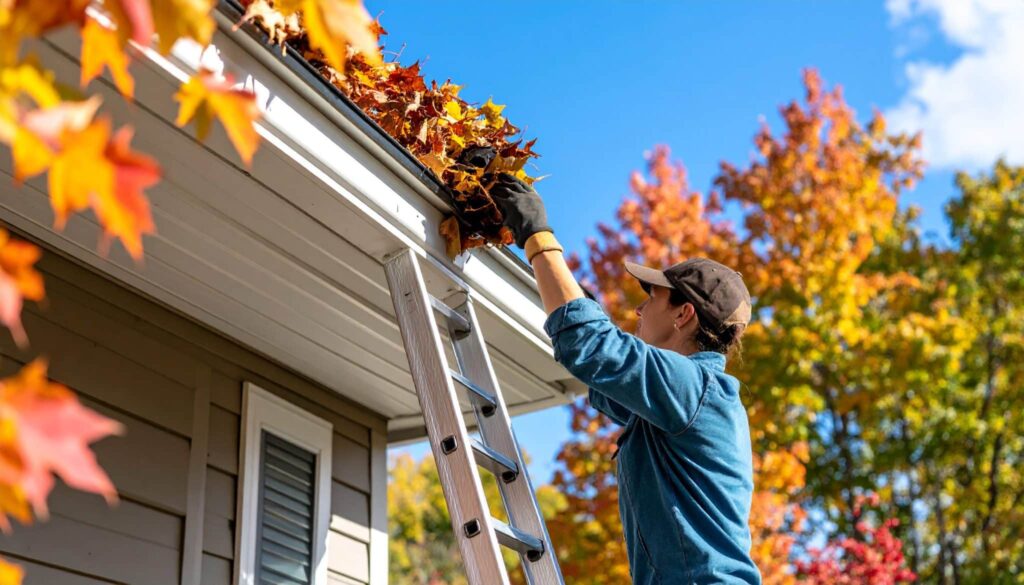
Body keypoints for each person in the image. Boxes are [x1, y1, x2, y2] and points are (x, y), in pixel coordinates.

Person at [489, 172, 762, 585]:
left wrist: (538, 236)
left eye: (650, 299)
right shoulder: (685, 397)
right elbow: (603, 370)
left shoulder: (692, 388)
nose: (638, 311)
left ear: (682, 314)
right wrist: (560, 283)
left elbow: (591, 345)